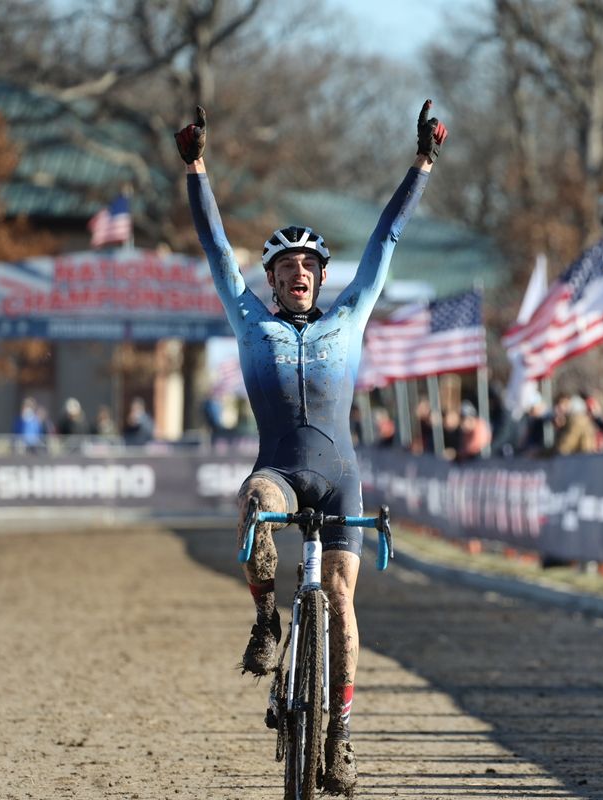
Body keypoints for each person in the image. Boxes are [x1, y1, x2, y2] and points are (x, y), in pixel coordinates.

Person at [177, 99, 446, 795]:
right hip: (281, 472)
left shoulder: (349, 319)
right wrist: (196, 167)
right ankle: (266, 620)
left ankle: (339, 738)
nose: (297, 273)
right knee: (253, 503)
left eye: (308, 265)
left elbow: (386, 240)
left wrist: (422, 164)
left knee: (341, 600)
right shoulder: (250, 322)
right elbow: (211, 244)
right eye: (285, 266)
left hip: (339, 479)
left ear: (322, 278)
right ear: (269, 280)